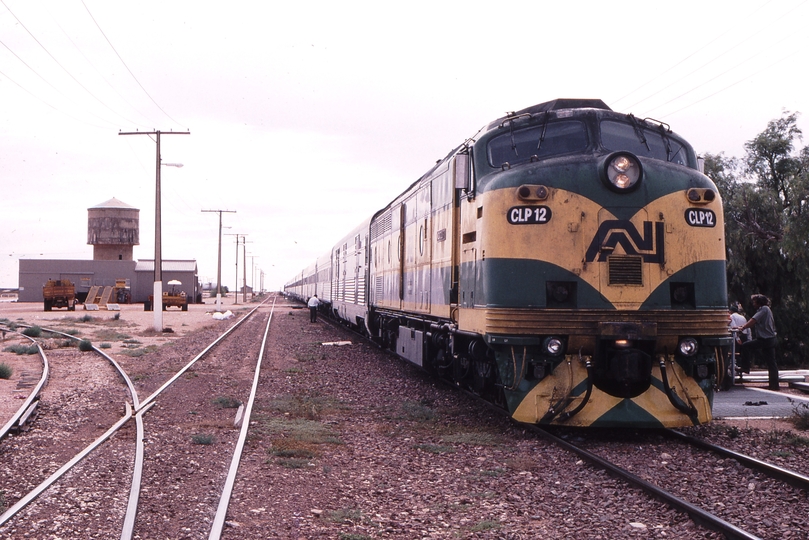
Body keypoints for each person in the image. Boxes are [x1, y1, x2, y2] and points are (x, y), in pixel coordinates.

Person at [734, 294, 779, 390]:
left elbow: (753, 320)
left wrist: (743, 327)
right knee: (771, 363)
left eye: (754, 302)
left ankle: (745, 367)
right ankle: (774, 385)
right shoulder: (764, 310)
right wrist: (739, 327)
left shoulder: (764, 309)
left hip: (765, 339)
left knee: (746, 346)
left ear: (759, 302)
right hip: (770, 339)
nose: (753, 304)